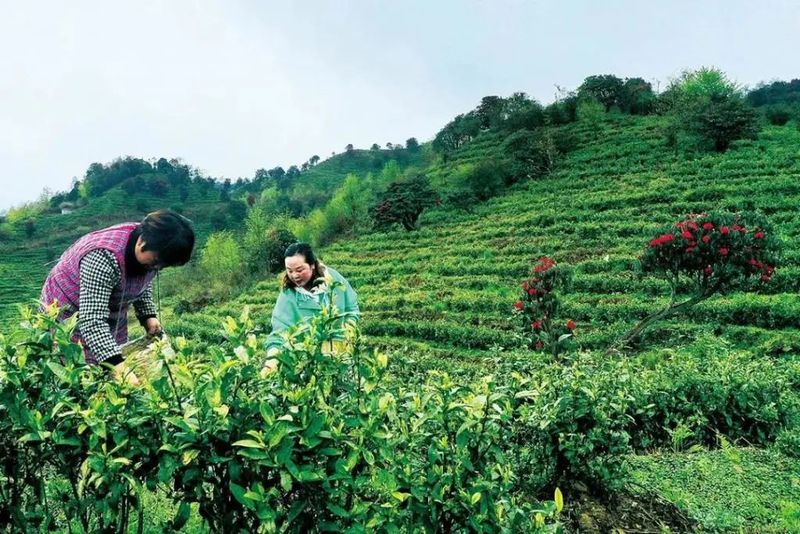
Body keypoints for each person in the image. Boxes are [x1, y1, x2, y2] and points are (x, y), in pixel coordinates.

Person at [40, 209, 195, 381]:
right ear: (141, 242)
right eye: (156, 262)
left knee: (114, 358)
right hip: (69, 307)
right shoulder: (103, 257)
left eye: (162, 266)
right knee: (78, 372)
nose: (157, 268)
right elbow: (91, 321)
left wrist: (148, 315)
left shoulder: (152, 246)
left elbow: (142, 279)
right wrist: (117, 366)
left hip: (112, 305)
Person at [265, 243, 359, 363]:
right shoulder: (288, 295)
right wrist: (271, 362)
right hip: (309, 363)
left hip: (342, 357)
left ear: (312, 265)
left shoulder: (334, 280)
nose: (294, 275)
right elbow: (280, 332)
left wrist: (348, 334)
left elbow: (351, 307)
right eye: (290, 271)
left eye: (299, 270)